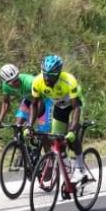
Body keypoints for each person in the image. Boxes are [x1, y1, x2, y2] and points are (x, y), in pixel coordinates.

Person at [30, 54, 88, 184]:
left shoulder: (69, 80)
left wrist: (72, 129)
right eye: (44, 74)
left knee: (72, 138)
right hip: (59, 108)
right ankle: (68, 172)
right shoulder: (37, 82)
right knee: (56, 140)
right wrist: (29, 125)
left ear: (57, 74)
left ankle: (80, 168)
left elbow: (76, 108)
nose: (46, 78)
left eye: (50, 75)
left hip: (75, 107)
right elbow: (34, 104)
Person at [0, 63, 45, 132]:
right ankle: (19, 141)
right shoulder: (5, 86)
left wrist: (31, 123)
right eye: (13, 82)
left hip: (42, 100)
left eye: (17, 79)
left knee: (42, 129)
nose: (17, 82)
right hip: (28, 99)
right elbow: (5, 103)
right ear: (7, 82)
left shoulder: (29, 82)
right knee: (17, 126)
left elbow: (36, 103)